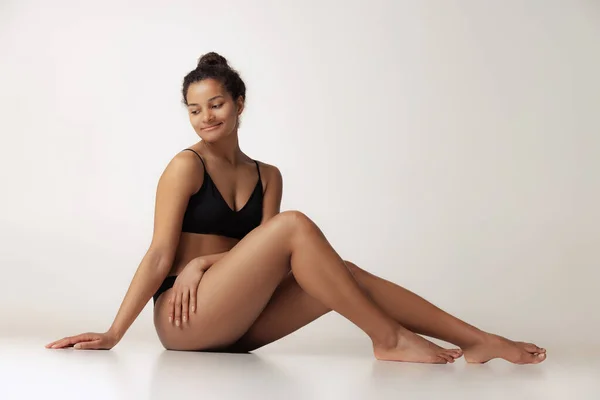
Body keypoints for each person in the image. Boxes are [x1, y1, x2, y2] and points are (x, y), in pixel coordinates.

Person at [46, 52, 547, 365]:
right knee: (295, 227)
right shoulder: (186, 166)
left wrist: (203, 261)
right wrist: (115, 332)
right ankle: (388, 337)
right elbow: (159, 254)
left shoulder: (268, 176)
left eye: (216, 104)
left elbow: (266, 259)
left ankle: (481, 340)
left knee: (342, 274)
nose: (205, 118)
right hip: (187, 319)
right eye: (194, 109)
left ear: (240, 103)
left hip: (241, 326)